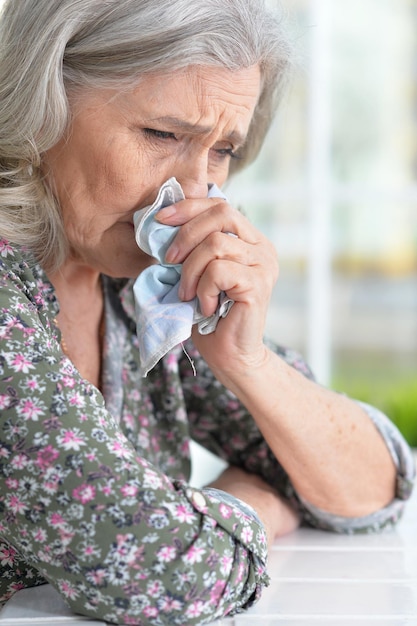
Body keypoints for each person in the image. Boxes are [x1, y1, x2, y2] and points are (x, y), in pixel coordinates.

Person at [0, 0, 414, 624]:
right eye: (162, 135)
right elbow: (160, 569)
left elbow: (372, 487)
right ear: (40, 107)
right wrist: (255, 503)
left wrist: (245, 361)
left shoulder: (134, 290)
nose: (193, 193)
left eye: (222, 149)